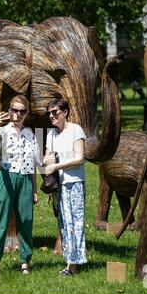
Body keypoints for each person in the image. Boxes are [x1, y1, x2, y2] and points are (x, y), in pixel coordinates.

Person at [0, 95, 41, 276]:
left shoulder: (30, 135)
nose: (18, 114)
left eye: (22, 111)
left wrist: (34, 189)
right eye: (15, 110)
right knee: (1, 219)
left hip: (25, 179)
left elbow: (33, 164)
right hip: (5, 177)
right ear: (9, 111)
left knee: (26, 220)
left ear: (26, 113)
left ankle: (25, 261)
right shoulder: (2, 131)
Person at [43, 99, 87, 276]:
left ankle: (73, 265)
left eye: (55, 112)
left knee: (75, 223)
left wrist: (56, 166)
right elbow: (47, 157)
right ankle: (71, 259)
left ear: (65, 112)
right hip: (59, 185)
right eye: (49, 113)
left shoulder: (76, 130)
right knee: (64, 223)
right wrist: (47, 161)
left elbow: (79, 158)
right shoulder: (51, 135)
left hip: (75, 183)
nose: (52, 116)